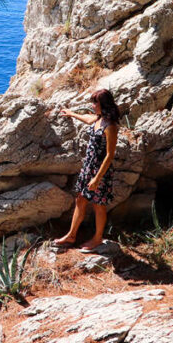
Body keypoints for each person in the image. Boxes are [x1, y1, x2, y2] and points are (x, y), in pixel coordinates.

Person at [53, 89, 120, 252]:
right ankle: (71, 235)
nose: (92, 105)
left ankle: (97, 239)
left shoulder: (110, 126)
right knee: (81, 200)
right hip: (88, 168)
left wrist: (97, 178)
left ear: (102, 104)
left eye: (95, 102)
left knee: (98, 205)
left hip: (99, 172)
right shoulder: (98, 120)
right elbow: (87, 118)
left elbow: (110, 155)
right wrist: (71, 113)